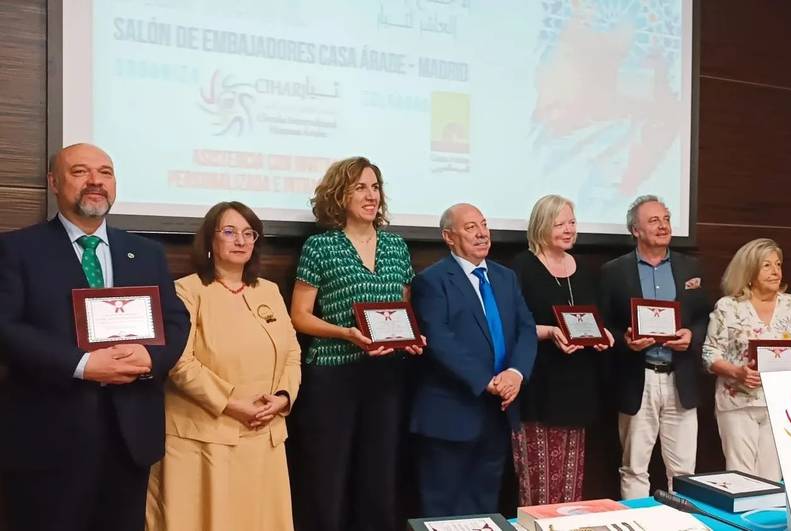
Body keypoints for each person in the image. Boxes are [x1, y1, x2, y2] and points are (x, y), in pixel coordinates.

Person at [0, 143, 190, 531]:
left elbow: (175, 320)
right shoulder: (16, 249)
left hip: (129, 437)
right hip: (47, 438)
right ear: (54, 182)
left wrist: (152, 358)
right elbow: (5, 327)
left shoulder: (146, 252)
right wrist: (82, 364)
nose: (95, 182)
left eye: (105, 172)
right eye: (80, 172)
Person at [145, 202, 301, 531]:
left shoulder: (269, 291)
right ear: (209, 241)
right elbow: (179, 362)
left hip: (264, 436)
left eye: (249, 233)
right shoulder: (186, 291)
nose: (241, 240)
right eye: (229, 232)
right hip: (203, 441)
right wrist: (231, 403)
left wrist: (284, 397)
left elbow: (292, 353)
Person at [288, 156, 420, 531]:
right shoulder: (320, 246)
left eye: (375, 186)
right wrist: (346, 333)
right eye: (360, 187)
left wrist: (412, 337)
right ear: (339, 194)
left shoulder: (396, 247)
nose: (370, 195)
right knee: (327, 478)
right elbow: (300, 315)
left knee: (380, 478)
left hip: (386, 375)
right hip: (333, 375)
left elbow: (403, 310)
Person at [410, 203, 537, 516]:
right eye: (470, 227)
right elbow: (439, 341)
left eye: (484, 224)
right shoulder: (432, 281)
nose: (482, 233)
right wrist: (488, 381)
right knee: (443, 509)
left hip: (497, 415)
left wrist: (516, 375)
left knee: (485, 506)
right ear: (449, 237)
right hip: (450, 415)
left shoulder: (505, 277)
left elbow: (527, 329)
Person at [599, 194, 710, 499]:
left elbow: (706, 317)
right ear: (635, 230)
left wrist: (692, 335)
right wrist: (625, 341)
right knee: (634, 468)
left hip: (681, 376)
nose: (663, 226)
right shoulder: (614, 271)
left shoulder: (692, 268)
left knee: (685, 472)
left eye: (666, 219)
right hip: (638, 377)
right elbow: (604, 325)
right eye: (654, 221)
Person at [510, 195, 614, 505]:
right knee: (538, 482)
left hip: (577, 385)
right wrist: (550, 332)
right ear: (541, 226)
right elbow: (515, 324)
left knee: (571, 483)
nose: (568, 230)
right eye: (560, 224)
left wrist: (603, 334)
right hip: (539, 384)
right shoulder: (522, 267)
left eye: (572, 222)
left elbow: (592, 318)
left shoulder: (582, 268)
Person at [702, 238, 791, 481]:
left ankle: (764, 519)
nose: (775, 271)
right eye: (766, 265)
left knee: (772, 477)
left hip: (781, 403)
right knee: (740, 476)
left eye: (778, 264)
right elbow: (710, 354)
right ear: (749, 270)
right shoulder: (729, 307)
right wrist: (737, 372)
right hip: (737, 403)